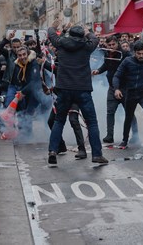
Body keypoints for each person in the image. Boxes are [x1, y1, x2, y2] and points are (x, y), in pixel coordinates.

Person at [46, 23, 108, 165]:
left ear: (70, 34)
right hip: (82, 89)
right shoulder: (87, 46)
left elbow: (51, 33)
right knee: (91, 122)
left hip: (64, 88)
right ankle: (97, 154)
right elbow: (95, 39)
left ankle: (52, 151)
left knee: (59, 121)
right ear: (82, 36)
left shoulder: (60, 43)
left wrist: (58, 27)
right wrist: (88, 32)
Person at [92, 35, 138, 144]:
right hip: (112, 87)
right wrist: (98, 71)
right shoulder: (107, 54)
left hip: (125, 88)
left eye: (113, 44)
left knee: (129, 112)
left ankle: (136, 135)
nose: (112, 47)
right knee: (110, 112)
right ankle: (110, 135)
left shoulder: (125, 54)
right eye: (110, 45)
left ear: (117, 43)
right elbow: (106, 65)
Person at [112, 41, 143, 147]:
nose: (141, 56)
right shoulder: (127, 61)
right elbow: (117, 76)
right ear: (135, 52)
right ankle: (125, 139)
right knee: (129, 117)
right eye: (139, 54)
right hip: (131, 93)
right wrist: (116, 89)